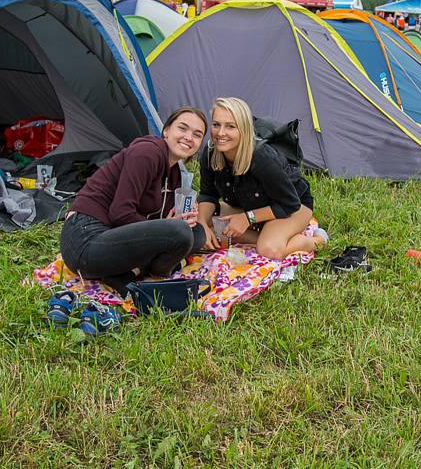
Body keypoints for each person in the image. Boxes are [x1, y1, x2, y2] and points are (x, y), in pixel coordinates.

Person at [52, 108, 209, 332]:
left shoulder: (174, 172)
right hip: (86, 240)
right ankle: (143, 271)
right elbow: (121, 213)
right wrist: (168, 228)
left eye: (197, 134)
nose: (188, 137)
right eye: (182, 128)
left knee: (196, 232)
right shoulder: (148, 152)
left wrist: (170, 220)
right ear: (166, 131)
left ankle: (128, 274)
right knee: (180, 233)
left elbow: (149, 218)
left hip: (114, 242)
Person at [197, 97, 327, 260]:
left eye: (230, 126)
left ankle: (315, 241)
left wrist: (247, 218)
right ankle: (268, 235)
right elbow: (208, 194)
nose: (220, 133)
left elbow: (289, 204)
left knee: (269, 250)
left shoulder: (262, 158)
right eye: (216, 125)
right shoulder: (211, 152)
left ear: (243, 129)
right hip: (249, 205)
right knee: (197, 219)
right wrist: (202, 223)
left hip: (292, 207)